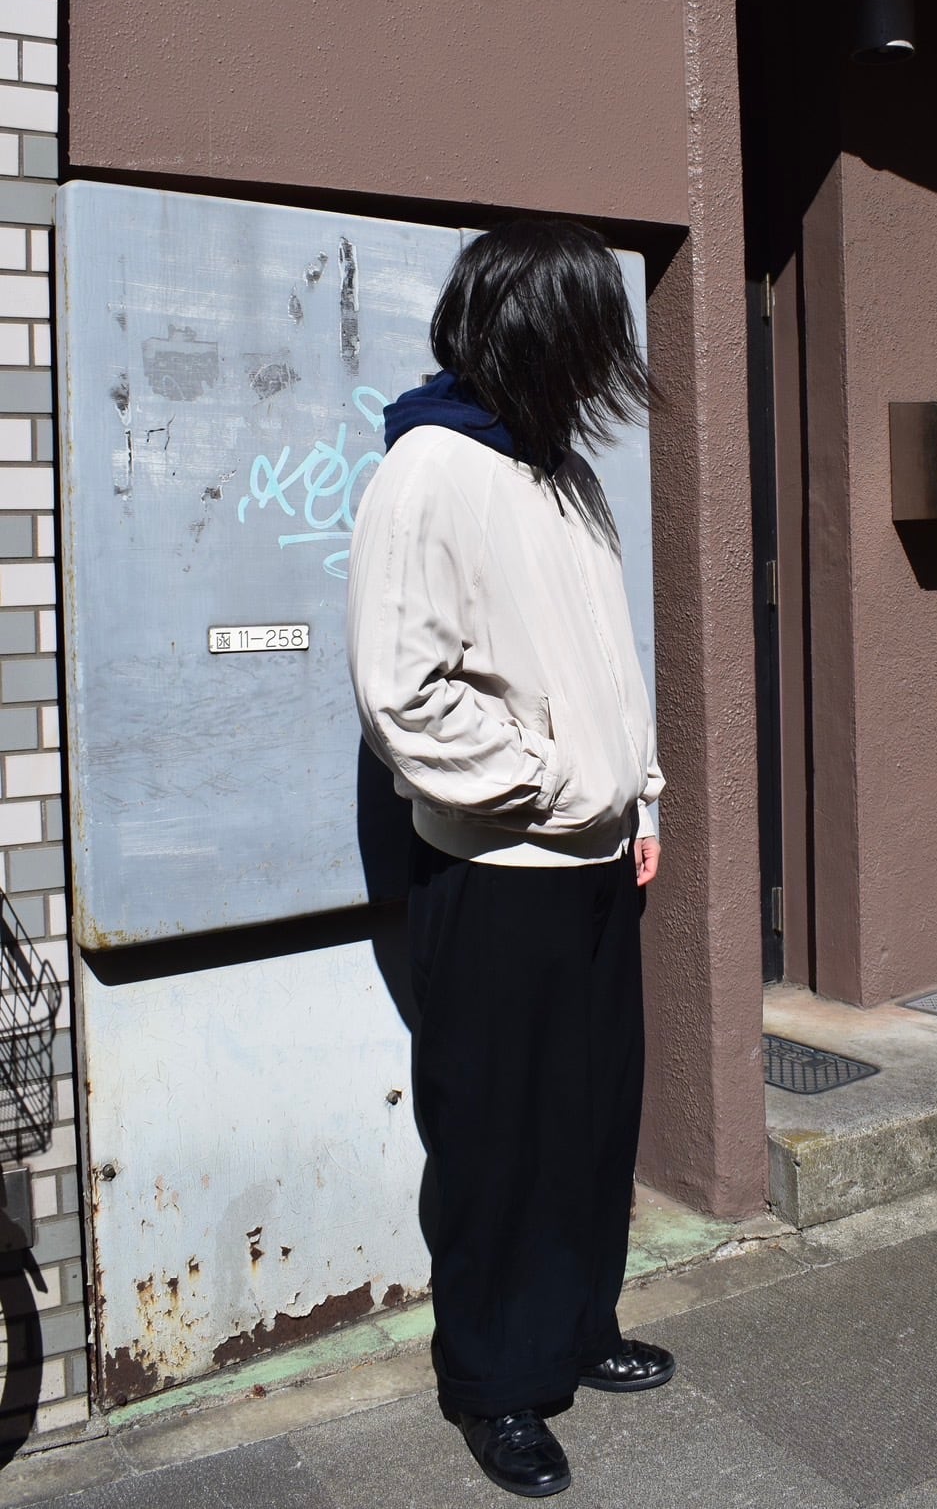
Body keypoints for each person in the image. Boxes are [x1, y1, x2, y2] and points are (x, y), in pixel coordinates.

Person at [347, 219, 671, 1499]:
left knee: (590, 1121)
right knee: (494, 1136)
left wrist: (637, 796)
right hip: (494, 873)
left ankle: (575, 1329)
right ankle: (492, 1382)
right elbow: (403, 693)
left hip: (595, 863)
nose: (603, 363)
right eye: (590, 334)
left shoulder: (562, 472)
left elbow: (602, 664)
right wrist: (549, 782)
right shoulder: (430, 467)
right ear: (536, 331)